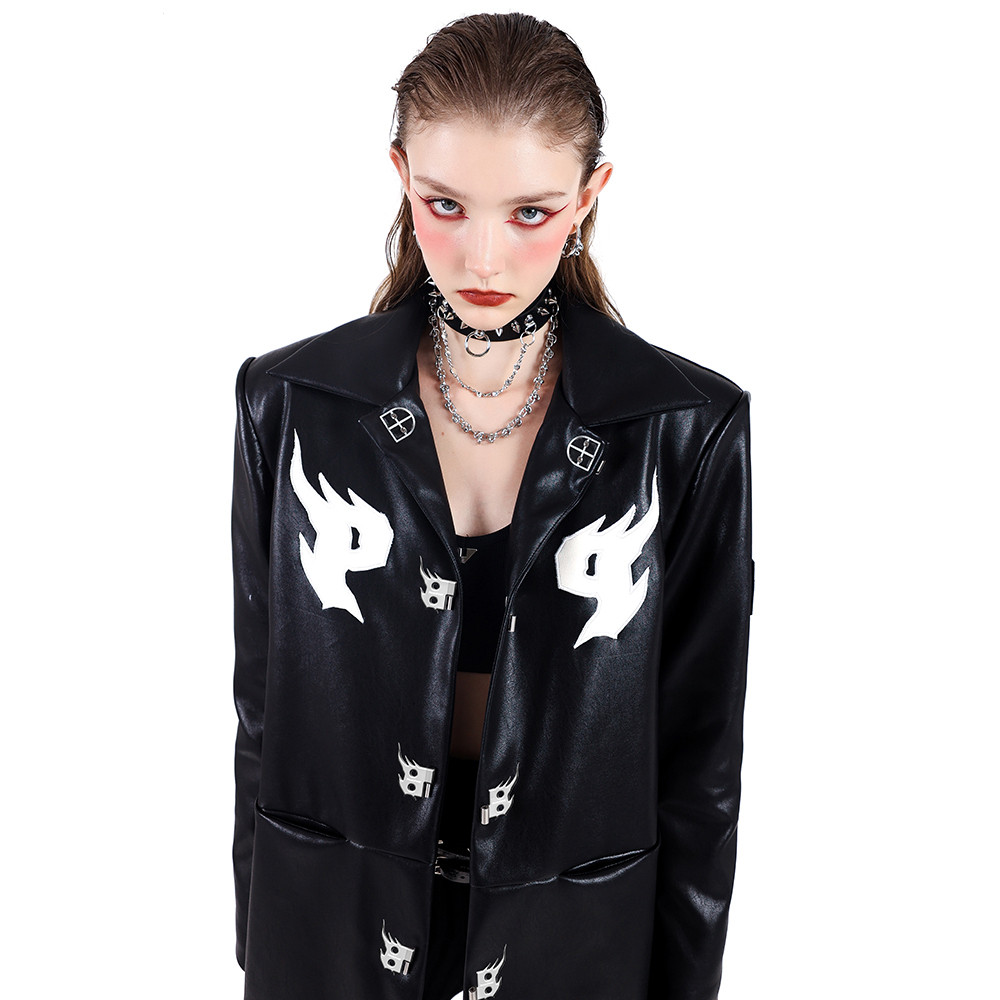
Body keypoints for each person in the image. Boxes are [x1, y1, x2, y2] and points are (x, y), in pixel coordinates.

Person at [230, 12, 753, 1000]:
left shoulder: (684, 427)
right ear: (400, 178)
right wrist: (264, 945)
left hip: (574, 942)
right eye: (445, 204)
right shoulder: (292, 403)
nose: (482, 259)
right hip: (333, 929)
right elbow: (264, 711)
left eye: (529, 213)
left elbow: (699, 765)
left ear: (589, 196)